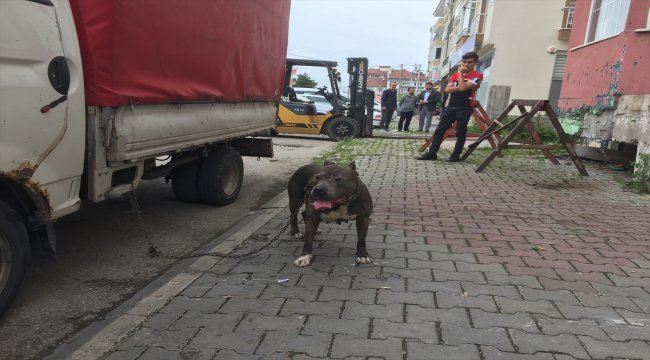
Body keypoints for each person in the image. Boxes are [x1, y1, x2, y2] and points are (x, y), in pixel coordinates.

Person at [416, 51, 483, 162]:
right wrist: (465, 85)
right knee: (439, 130)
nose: (466, 65)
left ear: (475, 63)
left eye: (470, 62)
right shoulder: (454, 75)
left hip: (465, 107)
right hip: (451, 105)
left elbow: (462, 88)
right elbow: (448, 89)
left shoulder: (478, 76)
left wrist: (461, 76)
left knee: (460, 132)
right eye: (464, 62)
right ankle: (432, 153)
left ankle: (455, 155)